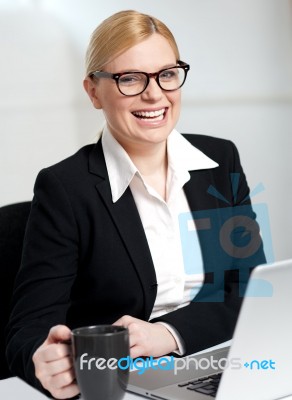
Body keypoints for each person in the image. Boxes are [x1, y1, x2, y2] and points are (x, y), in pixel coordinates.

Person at [6, 9, 266, 400]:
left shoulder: (218, 163)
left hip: (217, 361)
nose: (154, 94)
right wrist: (41, 361)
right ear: (94, 92)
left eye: (167, 74)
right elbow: (27, 331)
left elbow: (247, 289)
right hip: (121, 384)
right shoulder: (66, 188)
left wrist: (165, 334)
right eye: (129, 78)